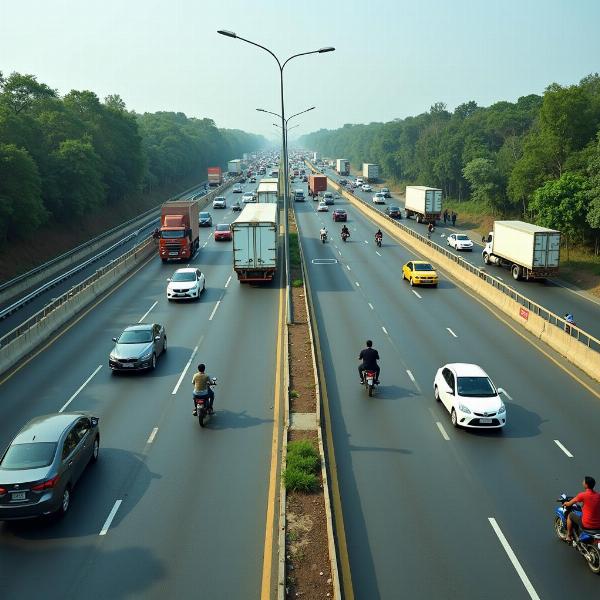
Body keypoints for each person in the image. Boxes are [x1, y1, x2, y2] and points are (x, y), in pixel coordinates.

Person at [563, 476, 600, 542]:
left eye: (583, 481)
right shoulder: (598, 495)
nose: (582, 482)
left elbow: (569, 504)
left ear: (586, 484)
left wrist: (566, 503)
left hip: (587, 525)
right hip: (598, 525)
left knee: (570, 515)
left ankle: (568, 536)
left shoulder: (582, 495)